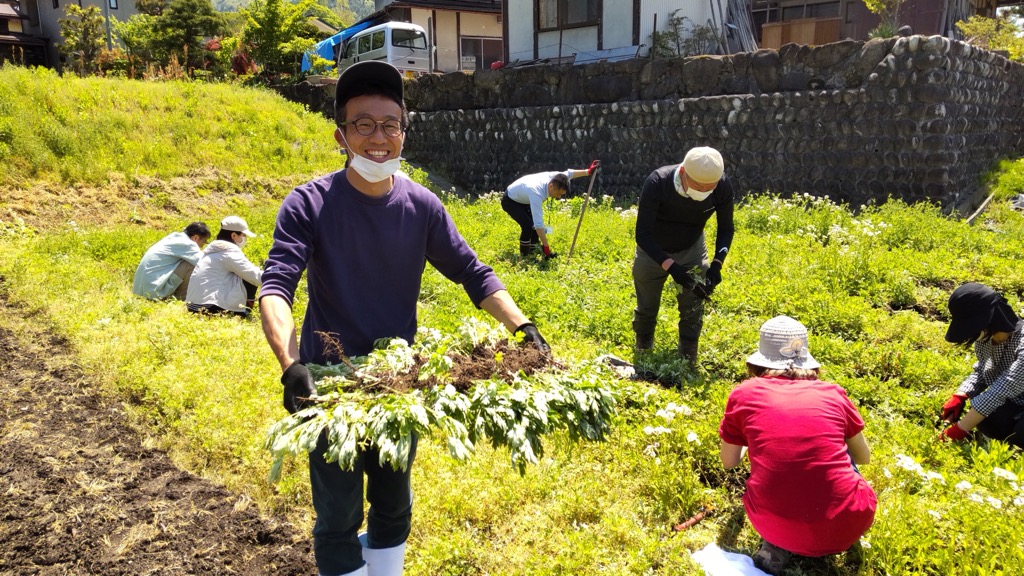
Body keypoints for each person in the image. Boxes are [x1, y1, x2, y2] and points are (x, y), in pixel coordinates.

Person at [258, 60, 549, 576]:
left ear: (404, 133)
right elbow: (277, 284)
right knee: (338, 513)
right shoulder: (310, 203)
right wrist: (290, 363)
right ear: (340, 135)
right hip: (330, 383)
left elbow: (472, 272)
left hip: (398, 380)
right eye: (363, 124)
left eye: (390, 125)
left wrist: (522, 327)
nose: (378, 137)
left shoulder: (422, 205)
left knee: (394, 504)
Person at [718, 315, 876, 575]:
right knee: (841, 449)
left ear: (759, 361)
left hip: (771, 524)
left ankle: (777, 544)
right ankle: (837, 528)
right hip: (847, 526)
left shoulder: (744, 393)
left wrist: (750, 442)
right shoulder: (833, 393)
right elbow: (863, 457)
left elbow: (729, 461)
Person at [632, 146, 735, 363]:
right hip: (653, 249)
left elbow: (726, 228)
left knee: (694, 303)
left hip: (692, 247)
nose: (703, 193)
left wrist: (717, 263)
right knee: (647, 304)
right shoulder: (658, 182)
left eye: (709, 188)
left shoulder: (723, 186)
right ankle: (643, 349)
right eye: (698, 188)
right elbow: (642, 234)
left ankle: (688, 356)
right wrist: (672, 267)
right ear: (682, 173)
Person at [938, 282, 1024, 448]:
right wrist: (961, 395)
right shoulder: (985, 339)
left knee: (1021, 431)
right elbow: (983, 370)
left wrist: (961, 428)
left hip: (1015, 399)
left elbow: (1006, 385)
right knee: (986, 417)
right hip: (1016, 403)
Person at [501, 162, 598, 258]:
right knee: (528, 226)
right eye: (559, 194)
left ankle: (533, 250)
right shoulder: (536, 193)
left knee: (533, 226)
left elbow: (570, 174)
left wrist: (587, 172)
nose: (559, 197)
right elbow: (538, 224)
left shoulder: (557, 178)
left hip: (523, 197)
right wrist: (546, 247)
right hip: (510, 200)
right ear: (551, 186)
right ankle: (524, 257)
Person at [185, 216, 262, 318]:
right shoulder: (229, 253)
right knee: (248, 279)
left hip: (193, 306)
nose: (245, 239)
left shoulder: (213, 251)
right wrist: (277, 275)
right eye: (243, 235)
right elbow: (255, 276)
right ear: (233, 235)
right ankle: (244, 312)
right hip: (210, 307)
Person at [131, 222, 210, 300]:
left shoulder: (173, 237)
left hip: (140, 291)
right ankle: (182, 298)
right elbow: (204, 263)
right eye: (203, 242)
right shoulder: (188, 244)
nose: (202, 246)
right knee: (191, 264)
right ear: (195, 238)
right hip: (153, 292)